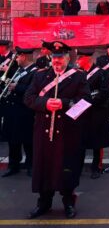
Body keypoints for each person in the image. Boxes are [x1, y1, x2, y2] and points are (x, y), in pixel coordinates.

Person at [24, 41, 91, 219]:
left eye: (60, 57)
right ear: (50, 58)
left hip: (67, 132)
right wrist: (45, 103)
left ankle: (68, 202)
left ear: (67, 58)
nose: (57, 61)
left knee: (66, 168)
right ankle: (43, 203)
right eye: (54, 57)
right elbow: (28, 98)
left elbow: (85, 101)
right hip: (44, 132)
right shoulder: (40, 76)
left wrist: (65, 103)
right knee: (45, 168)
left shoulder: (78, 77)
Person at [1, 46, 38, 178]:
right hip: (11, 110)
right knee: (13, 140)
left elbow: (33, 90)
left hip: (25, 111)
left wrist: (16, 87)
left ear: (24, 56)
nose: (16, 58)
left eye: (18, 56)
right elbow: (9, 82)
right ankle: (13, 165)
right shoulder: (18, 70)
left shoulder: (35, 72)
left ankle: (31, 165)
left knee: (28, 141)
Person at [76, 48, 109, 179]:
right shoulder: (77, 73)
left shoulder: (101, 73)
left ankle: (96, 167)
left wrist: (90, 101)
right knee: (80, 141)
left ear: (87, 59)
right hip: (82, 112)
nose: (77, 61)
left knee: (97, 141)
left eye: (80, 58)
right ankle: (78, 167)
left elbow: (105, 91)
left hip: (96, 112)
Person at [0, 40, 18, 141]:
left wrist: (8, 69)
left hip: (9, 87)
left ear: (3, 47)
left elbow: (18, 71)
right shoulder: (0, 57)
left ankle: (6, 134)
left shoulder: (13, 57)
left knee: (7, 113)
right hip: (0, 88)